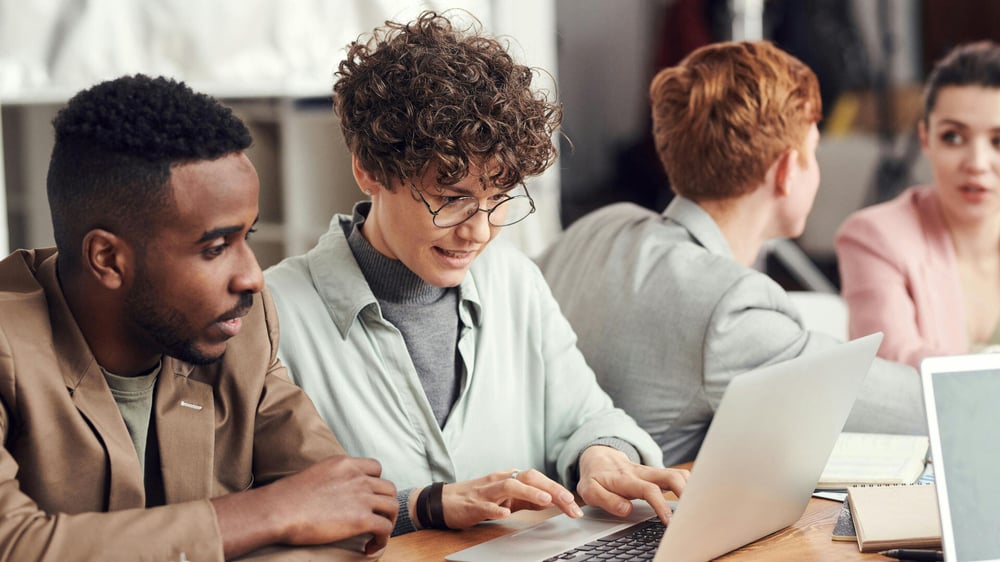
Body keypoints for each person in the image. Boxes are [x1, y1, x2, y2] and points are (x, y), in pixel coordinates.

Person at [265, 11, 688, 536]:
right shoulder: (273, 313)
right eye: (452, 199)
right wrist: (419, 504)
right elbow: (266, 511)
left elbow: (587, 418)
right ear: (368, 170)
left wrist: (602, 457)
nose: (480, 232)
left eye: (500, 198)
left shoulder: (514, 279)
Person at [0, 74, 397, 561]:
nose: (252, 277)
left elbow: (349, 516)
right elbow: (15, 546)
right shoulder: (7, 343)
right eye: (215, 248)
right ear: (107, 258)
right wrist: (269, 512)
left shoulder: (238, 324)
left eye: (246, 237)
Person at [536, 41, 927, 467]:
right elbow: (920, 410)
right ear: (786, 172)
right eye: (812, 153)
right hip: (640, 525)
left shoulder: (600, 225)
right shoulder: (728, 310)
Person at [836, 41, 1000, 368]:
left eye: (998, 141)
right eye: (953, 136)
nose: (977, 163)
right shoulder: (874, 238)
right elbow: (897, 367)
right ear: (926, 139)